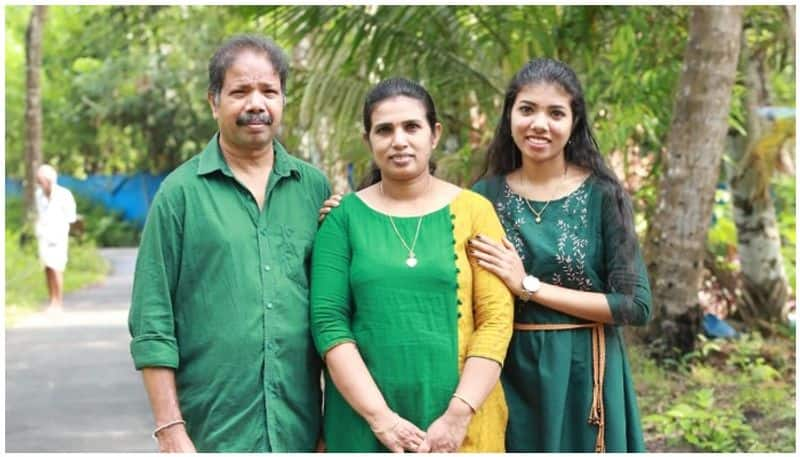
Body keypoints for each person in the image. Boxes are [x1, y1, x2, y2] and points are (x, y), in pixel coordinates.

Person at [128, 35, 330, 452]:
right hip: (213, 430)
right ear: (213, 102)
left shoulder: (314, 188)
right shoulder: (179, 194)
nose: (256, 103)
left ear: (283, 101)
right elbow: (152, 319)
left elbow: (332, 311)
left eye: (269, 91)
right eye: (240, 91)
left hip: (301, 427)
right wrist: (169, 429)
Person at [310, 78, 513, 452]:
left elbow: (496, 319)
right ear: (369, 138)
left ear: (434, 134)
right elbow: (328, 322)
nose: (399, 140)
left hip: (464, 424)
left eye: (411, 127)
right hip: (363, 425)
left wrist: (457, 415)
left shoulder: (473, 211)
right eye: (384, 130)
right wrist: (381, 419)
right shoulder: (343, 219)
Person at [469, 58, 652, 452]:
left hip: (583, 371)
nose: (539, 124)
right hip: (504, 369)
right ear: (509, 116)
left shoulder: (604, 196)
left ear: (574, 123)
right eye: (527, 109)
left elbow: (634, 306)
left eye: (555, 113)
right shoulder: (482, 197)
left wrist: (528, 286)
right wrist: (350, 209)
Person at [34, 163, 77, 312]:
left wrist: (60, 232)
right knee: (47, 268)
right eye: (38, 180)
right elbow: (40, 215)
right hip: (43, 237)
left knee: (57, 268)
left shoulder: (64, 194)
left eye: (42, 180)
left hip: (58, 238)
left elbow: (71, 218)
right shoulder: (38, 195)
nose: (40, 183)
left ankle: (59, 302)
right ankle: (51, 300)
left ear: (50, 179)